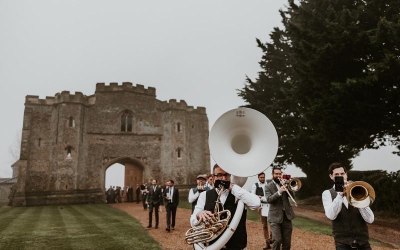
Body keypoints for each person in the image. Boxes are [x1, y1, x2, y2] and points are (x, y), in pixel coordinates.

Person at [190, 164, 260, 250]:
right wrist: (199, 214)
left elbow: (256, 203)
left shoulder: (238, 194)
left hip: (236, 246)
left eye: (226, 175)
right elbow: (192, 220)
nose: (223, 178)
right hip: (212, 245)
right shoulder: (204, 195)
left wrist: (232, 187)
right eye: (219, 175)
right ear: (213, 177)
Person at [322, 162, 374, 250]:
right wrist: (340, 195)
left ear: (346, 174)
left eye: (342, 173)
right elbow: (331, 215)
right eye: (336, 174)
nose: (340, 176)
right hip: (343, 243)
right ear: (331, 176)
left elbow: (370, 219)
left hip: (363, 242)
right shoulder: (327, 193)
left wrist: (359, 199)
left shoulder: (357, 189)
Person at [265, 166, 295, 250]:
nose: (278, 175)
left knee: (287, 243)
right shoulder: (268, 186)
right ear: (272, 175)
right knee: (277, 240)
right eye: (276, 174)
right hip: (275, 218)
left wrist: (289, 185)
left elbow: (292, 196)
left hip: (287, 217)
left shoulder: (285, 183)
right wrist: (279, 192)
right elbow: (269, 199)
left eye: (279, 173)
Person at [251, 172, 272, 250]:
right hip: (262, 207)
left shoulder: (268, 184)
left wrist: (261, 197)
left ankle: (271, 239)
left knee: (272, 223)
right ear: (258, 178)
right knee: (264, 225)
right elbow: (253, 196)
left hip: (270, 206)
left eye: (263, 177)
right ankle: (267, 243)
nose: (262, 179)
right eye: (261, 177)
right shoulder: (255, 185)